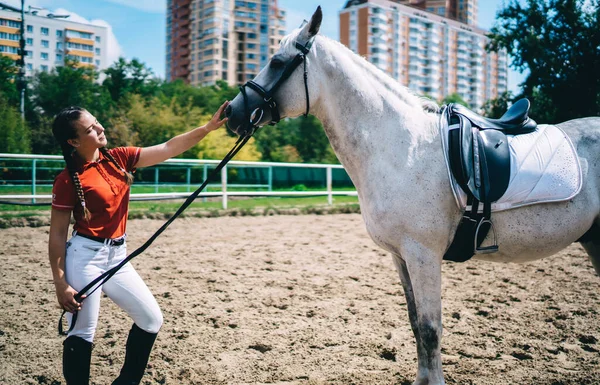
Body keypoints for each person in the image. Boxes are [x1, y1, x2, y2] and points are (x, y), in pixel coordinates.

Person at [48, 101, 229, 385]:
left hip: (117, 257)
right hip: (84, 258)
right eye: (90, 129)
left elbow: (168, 148)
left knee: (150, 319)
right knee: (83, 332)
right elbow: (57, 235)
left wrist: (207, 128)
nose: (99, 128)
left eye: (97, 122)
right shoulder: (67, 180)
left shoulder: (119, 158)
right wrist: (61, 283)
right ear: (73, 141)